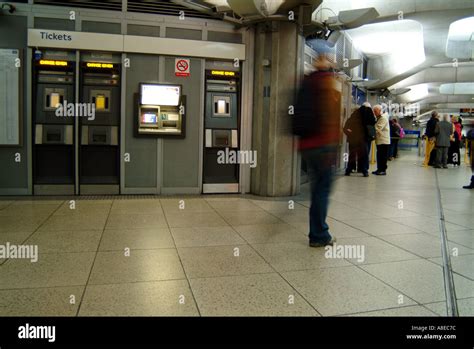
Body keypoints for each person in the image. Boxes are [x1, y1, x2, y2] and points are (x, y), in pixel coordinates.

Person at [296, 42, 339, 248]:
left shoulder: (306, 82)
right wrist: (331, 148)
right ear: (327, 59)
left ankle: (317, 232)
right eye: (331, 57)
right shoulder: (326, 83)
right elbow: (329, 117)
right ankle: (319, 235)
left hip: (307, 146)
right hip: (322, 146)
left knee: (316, 190)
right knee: (322, 190)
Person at [343, 105, 370, 177]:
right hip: (362, 141)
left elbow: (345, 129)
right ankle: (363, 170)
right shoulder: (364, 120)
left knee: (352, 155)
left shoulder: (351, 119)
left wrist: (350, 133)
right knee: (363, 155)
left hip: (353, 141)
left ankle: (349, 170)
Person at [372, 105, 390, 175]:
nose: (374, 113)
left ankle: (383, 170)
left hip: (383, 141)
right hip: (380, 140)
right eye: (374, 111)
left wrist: (371, 128)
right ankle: (379, 169)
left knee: (382, 156)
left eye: (375, 111)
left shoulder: (383, 118)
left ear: (380, 111)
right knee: (379, 156)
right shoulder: (379, 117)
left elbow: (378, 128)